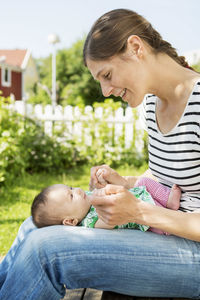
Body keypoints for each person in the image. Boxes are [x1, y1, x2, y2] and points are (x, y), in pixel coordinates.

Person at [0, 8, 200, 300]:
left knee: (46, 252)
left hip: (190, 250)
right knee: (34, 224)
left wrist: (140, 211)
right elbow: (166, 174)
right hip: (162, 234)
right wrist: (125, 182)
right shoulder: (153, 104)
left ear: (135, 47)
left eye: (107, 75)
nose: (105, 90)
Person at [31, 176, 181, 234]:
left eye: (71, 187)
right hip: (148, 220)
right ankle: (168, 217)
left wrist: (103, 185)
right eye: (71, 196)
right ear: (70, 221)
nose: (77, 190)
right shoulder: (91, 223)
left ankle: (169, 200)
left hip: (140, 198)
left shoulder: (86, 201)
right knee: (157, 226)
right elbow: (109, 222)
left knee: (142, 181)